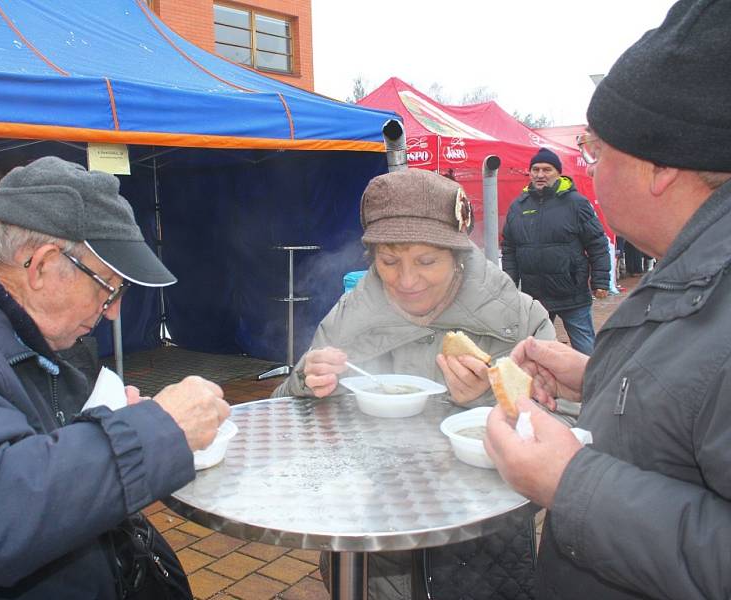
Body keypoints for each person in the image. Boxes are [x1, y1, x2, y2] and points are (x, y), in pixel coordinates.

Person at [485, 1, 731, 598]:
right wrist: (593, 378)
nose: (588, 168)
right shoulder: (694, 268)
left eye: (597, 152)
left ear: (660, 166)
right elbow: (696, 408)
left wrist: (569, 482)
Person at [0, 156, 230, 598]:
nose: (114, 312)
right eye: (110, 288)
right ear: (43, 265)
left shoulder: (24, 328)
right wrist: (156, 430)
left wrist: (105, 423)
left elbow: (20, 445)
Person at [274, 168, 556, 600]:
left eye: (426, 261)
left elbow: (568, 428)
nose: (406, 281)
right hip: (369, 538)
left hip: (483, 546)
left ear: (458, 256)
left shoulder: (518, 319)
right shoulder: (351, 315)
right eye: (389, 261)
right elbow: (281, 414)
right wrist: (306, 382)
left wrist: (484, 401)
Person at [501, 147, 610, 355]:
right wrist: (509, 285)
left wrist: (601, 281)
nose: (540, 175)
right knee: (536, 351)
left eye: (547, 169)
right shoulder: (518, 206)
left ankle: (593, 385)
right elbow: (509, 249)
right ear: (530, 172)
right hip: (535, 295)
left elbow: (597, 243)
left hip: (572, 293)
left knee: (586, 348)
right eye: (535, 169)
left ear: (558, 172)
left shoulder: (576, 204)